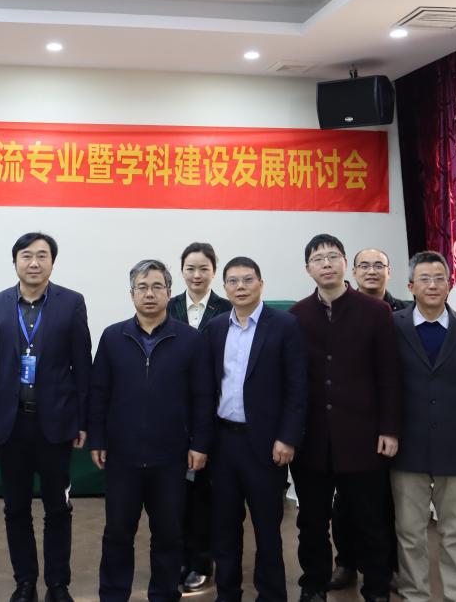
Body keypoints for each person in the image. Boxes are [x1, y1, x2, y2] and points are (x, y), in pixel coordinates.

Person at [89, 259, 213, 602]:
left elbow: (203, 396)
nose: (149, 294)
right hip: (122, 456)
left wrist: (200, 443)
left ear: (169, 293)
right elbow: (98, 392)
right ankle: (113, 594)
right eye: (142, 287)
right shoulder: (113, 337)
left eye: (157, 287)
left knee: (169, 535)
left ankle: (164, 594)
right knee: (117, 534)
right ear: (131, 294)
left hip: (171, 457)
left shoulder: (189, 340)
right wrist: (97, 438)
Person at [0, 232, 91, 602]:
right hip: (11, 425)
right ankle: (24, 582)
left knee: (58, 508)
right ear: (15, 261)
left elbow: (82, 366)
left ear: (52, 262)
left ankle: (58, 584)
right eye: (26, 255)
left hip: (55, 425)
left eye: (42, 255)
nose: (34, 263)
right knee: (16, 509)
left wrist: (83, 420)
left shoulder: (71, 303)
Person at [289, 233, 400, 602]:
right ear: (308, 269)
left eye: (333, 256)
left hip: (363, 437)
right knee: (312, 522)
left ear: (344, 264)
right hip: (312, 441)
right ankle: (313, 585)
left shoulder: (376, 312)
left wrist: (389, 428)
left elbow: (389, 374)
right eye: (318, 259)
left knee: (370, 520)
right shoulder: (296, 316)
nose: (326, 264)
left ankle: (376, 589)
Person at [389, 251, 456, 602]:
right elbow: (384, 384)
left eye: (439, 279)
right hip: (408, 446)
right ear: (410, 287)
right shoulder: (394, 325)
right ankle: (414, 594)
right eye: (424, 279)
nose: (432, 285)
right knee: (409, 533)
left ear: (449, 285)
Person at [202, 256, 307, 602]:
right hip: (223, 443)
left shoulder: (285, 325)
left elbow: (297, 387)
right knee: (224, 527)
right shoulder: (216, 328)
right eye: (233, 281)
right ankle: (228, 593)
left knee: (267, 527)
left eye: (248, 280)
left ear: (261, 284)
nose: (241, 287)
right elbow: (208, 387)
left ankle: (272, 594)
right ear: (225, 287)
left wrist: (287, 437)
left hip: (265, 444)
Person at [330, 247, 405, 591]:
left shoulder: (404, 312)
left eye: (379, 265)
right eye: (365, 266)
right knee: (344, 501)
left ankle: (386, 568)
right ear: (353, 272)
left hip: (390, 421)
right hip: (350, 424)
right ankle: (345, 562)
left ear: (389, 271)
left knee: (386, 501)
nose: (372, 271)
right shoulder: (339, 308)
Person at [166, 242, 232, 594]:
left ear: (213, 272)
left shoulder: (227, 308)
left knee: (203, 495)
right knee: (174, 494)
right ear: (181, 271)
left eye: (203, 268)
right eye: (190, 268)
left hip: (213, 411)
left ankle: (202, 562)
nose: (196, 275)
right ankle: (178, 558)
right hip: (174, 413)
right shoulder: (168, 305)